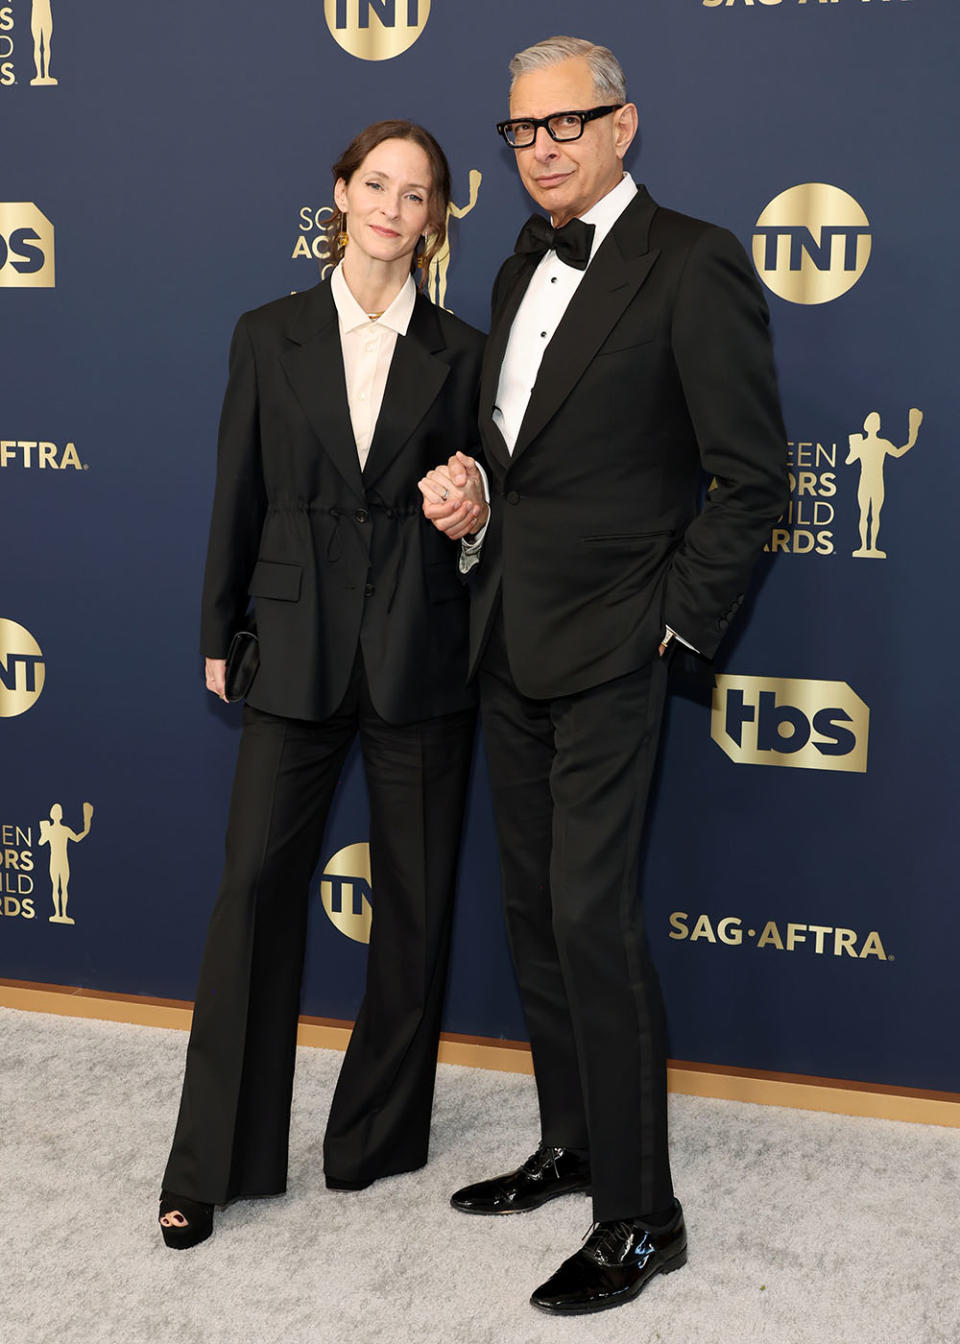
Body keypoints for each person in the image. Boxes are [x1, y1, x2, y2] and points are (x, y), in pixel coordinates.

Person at [420, 36, 787, 1316]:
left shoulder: (694, 263)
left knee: (591, 920)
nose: (545, 148)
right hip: (506, 634)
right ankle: (573, 1144)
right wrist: (475, 499)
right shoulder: (519, 253)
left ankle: (643, 1218)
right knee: (532, 915)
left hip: (619, 646)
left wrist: (672, 632)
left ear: (626, 124)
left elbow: (754, 483)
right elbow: (523, 451)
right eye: (523, 132)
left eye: (570, 123)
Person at [158, 120, 483, 1249]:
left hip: (421, 651)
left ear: (437, 217)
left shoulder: (465, 351)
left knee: (417, 904)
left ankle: (375, 1139)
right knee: (250, 894)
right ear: (341, 194)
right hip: (292, 648)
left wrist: (474, 506)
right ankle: (213, 1162)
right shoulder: (269, 335)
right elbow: (235, 487)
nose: (395, 207)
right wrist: (218, 625)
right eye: (378, 184)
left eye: (420, 192)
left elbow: (488, 502)